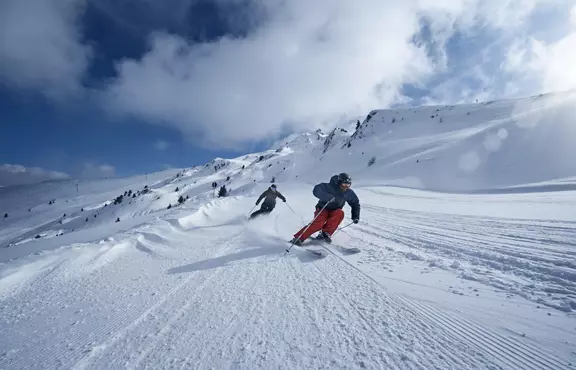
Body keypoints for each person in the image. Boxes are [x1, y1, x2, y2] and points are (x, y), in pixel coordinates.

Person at [291, 173, 360, 245]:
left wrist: (355, 216)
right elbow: (316, 190)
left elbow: (355, 203)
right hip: (323, 208)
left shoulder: (348, 192)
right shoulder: (329, 186)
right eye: (343, 185)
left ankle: (325, 234)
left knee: (340, 213)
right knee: (318, 223)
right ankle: (299, 238)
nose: (345, 187)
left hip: (335, 211)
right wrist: (328, 197)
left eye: (348, 185)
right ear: (339, 182)